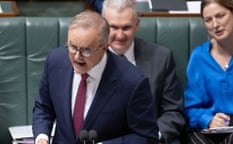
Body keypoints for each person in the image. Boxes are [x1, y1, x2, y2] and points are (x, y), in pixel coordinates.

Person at [32, 10, 159, 144]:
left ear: (104, 47)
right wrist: (42, 138)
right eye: (72, 47)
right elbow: (43, 107)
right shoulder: (55, 61)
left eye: (85, 50)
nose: (76, 56)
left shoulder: (132, 82)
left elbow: (146, 137)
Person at [102, 0, 186, 143]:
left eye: (126, 28)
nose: (120, 35)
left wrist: (152, 136)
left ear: (137, 25)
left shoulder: (161, 57)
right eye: (114, 27)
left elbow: (173, 111)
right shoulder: (90, 58)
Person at [184, 0, 233, 143]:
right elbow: (191, 107)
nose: (215, 25)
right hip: (211, 127)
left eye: (220, 16)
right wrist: (207, 119)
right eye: (208, 20)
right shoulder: (199, 57)